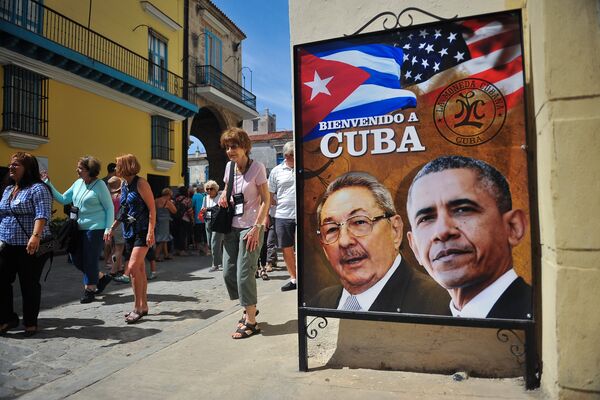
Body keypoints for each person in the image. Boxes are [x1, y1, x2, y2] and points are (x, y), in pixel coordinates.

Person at [406, 155, 531, 319]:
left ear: (513, 227)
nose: (442, 232)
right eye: (426, 218)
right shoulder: (425, 327)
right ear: (415, 247)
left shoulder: (547, 319)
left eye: (462, 210)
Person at [309, 172, 450, 314]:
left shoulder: (442, 306)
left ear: (395, 230)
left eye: (359, 222)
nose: (344, 241)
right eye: (332, 229)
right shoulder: (320, 303)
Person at [218, 128, 270, 339]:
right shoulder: (229, 167)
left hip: (251, 228)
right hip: (231, 226)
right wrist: (223, 195)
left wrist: (257, 228)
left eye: (235, 146)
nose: (231, 150)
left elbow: (266, 200)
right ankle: (250, 306)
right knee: (228, 274)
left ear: (245, 147)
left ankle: (251, 321)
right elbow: (227, 189)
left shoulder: (257, 168)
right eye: (228, 147)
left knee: (244, 274)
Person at [44, 156, 114, 304]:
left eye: (80, 168)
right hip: (78, 227)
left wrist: (108, 228)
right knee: (75, 258)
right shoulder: (77, 183)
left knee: (90, 258)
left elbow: (109, 207)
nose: (77, 170)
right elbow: (63, 199)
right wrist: (48, 184)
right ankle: (101, 277)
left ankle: (90, 289)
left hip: (95, 228)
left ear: (90, 170)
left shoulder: (100, 185)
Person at [0, 152, 53, 337]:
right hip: (7, 244)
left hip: (30, 245)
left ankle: (30, 322)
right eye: (10, 164)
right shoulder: (8, 189)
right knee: (2, 281)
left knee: (28, 284)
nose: (11, 167)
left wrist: (35, 236)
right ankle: (7, 318)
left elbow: (43, 213)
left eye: (16, 165)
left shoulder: (38, 188)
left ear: (28, 168)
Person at [108, 154, 156, 324]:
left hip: (142, 231)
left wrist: (151, 231)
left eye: (118, 165)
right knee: (140, 270)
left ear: (126, 166)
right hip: (130, 231)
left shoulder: (141, 183)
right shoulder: (124, 185)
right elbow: (123, 209)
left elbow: (152, 208)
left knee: (133, 267)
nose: (115, 168)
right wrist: (112, 228)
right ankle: (143, 306)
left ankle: (137, 307)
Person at [269, 141, 297, 291]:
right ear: (286, 155)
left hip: (301, 214)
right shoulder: (276, 171)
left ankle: (305, 277)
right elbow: (270, 194)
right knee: (286, 247)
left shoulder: (303, 167)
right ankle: (294, 279)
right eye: (291, 155)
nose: (292, 157)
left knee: (303, 248)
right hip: (282, 215)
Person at [107, 176, 127, 282]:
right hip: (119, 223)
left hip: (110, 223)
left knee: (115, 248)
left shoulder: (109, 196)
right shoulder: (121, 196)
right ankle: (113, 271)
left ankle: (119, 268)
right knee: (119, 249)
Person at [200, 180, 223, 272]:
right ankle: (220, 262)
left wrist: (210, 209)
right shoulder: (205, 198)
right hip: (208, 221)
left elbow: (221, 209)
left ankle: (216, 264)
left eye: (211, 189)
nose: (209, 191)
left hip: (218, 222)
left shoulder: (220, 197)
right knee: (210, 243)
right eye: (207, 189)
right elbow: (203, 208)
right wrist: (203, 210)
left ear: (216, 189)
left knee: (214, 243)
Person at [154, 187, 176, 262]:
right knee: (163, 239)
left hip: (157, 220)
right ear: (169, 194)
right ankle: (156, 255)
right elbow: (174, 211)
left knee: (164, 238)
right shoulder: (167, 202)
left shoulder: (156, 200)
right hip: (165, 222)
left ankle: (166, 254)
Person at [173, 186, 193, 256]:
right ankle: (182, 250)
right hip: (185, 219)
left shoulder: (176, 198)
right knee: (183, 235)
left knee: (177, 234)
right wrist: (192, 219)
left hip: (176, 218)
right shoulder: (188, 200)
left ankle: (176, 249)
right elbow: (190, 211)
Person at [191, 185, 208, 255]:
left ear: (197, 190)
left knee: (197, 234)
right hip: (206, 218)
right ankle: (206, 250)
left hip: (198, 218)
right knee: (205, 234)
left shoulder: (195, 196)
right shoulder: (207, 196)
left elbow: (192, 206)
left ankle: (198, 250)